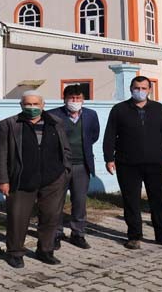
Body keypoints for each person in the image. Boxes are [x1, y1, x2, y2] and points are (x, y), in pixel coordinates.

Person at [0, 90, 71, 269]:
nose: (32, 107)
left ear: (43, 105)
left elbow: (65, 149)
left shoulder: (56, 122)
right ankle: (15, 253)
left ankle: (45, 250)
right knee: (17, 218)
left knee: (50, 216)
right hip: (21, 179)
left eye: (36, 104)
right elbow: (0, 154)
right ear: (21, 105)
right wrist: (2, 180)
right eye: (28, 104)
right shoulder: (9, 124)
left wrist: (65, 171)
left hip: (53, 179)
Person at [103, 76, 162, 250]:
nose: (140, 91)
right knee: (131, 201)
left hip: (156, 163)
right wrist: (109, 158)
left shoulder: (159, 109)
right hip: (127, 163)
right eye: (137, 88)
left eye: (144, 88)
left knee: (159, 201)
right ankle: (134, 236)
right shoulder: (119, 109)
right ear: (131, 89)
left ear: (149, 90)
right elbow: (109, 135)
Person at [48, 84, 100, 249]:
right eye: (71, 98)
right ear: (64, 99)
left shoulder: (91, 115)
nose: (75, 101)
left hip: (81, 165)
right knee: (57, 202)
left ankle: (78, 234)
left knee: (79, 201)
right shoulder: (53, 115)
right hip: (59, 166)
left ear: (83, 99)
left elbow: (94, 135)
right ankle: (56, 233)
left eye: (78, 98)